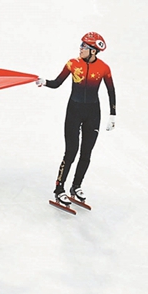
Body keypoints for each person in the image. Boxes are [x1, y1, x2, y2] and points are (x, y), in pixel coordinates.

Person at [35, 32, 116, 205]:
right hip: (74, 111)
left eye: (84, 46)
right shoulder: (72, 64)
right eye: (81, 45)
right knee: (71, 151)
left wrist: (113, 114)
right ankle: (59, 188)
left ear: (93, 51)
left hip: (93, 113)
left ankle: (76, 186)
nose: (80, 49)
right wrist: (45, 82)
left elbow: (111, 91)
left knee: (86, 153)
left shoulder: (103, 68)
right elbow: (57, 83)